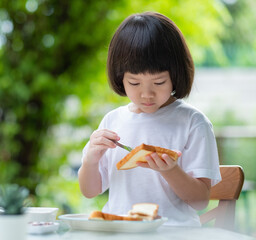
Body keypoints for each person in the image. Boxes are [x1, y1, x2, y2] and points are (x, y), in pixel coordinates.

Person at [78, 11, 221, 226]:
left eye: (159, 82)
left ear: (176, 75)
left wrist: (171, 170)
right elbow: (90, 191)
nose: (146, 94)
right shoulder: (113, 120)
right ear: (120, 78)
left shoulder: (193, 122)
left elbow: (200, 201)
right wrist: (90, 159)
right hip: (120, 231)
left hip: (174, 233)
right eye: (134, 83)